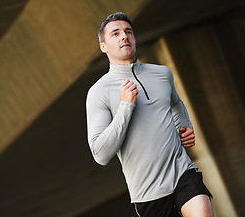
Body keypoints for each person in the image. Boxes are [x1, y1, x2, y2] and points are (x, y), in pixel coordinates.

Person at [86, 12, 213, 217]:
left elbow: (176, 103)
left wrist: (184, 125)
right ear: (104, 46)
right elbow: (101, 154)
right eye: (115, 34)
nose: (124, 37)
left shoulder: (162, 74)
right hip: (147, 195)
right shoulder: (98, 92)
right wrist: (125, 107)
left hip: (182, 173)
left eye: (128, 32)